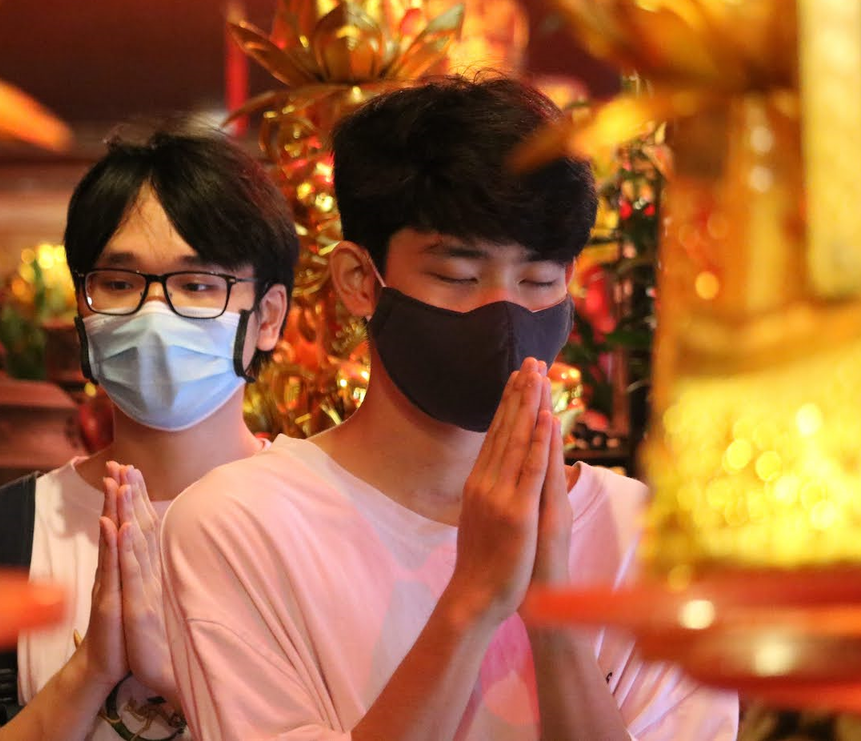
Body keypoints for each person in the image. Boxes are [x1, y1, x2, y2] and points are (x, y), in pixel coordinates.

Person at [158, 77, 740, 740]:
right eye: (458, 277)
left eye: (538, 280)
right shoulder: (239, 525)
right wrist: (473, 601)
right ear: (359, 280)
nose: (505, 313)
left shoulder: (643, 536)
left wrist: (557, 615)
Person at [0, 125, 299, 741]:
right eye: (119, 284)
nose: (154, 313)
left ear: (268, 317)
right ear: (82, 307)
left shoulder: (322, 522)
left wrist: (179, 683)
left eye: (197, 285)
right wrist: (89, 672)